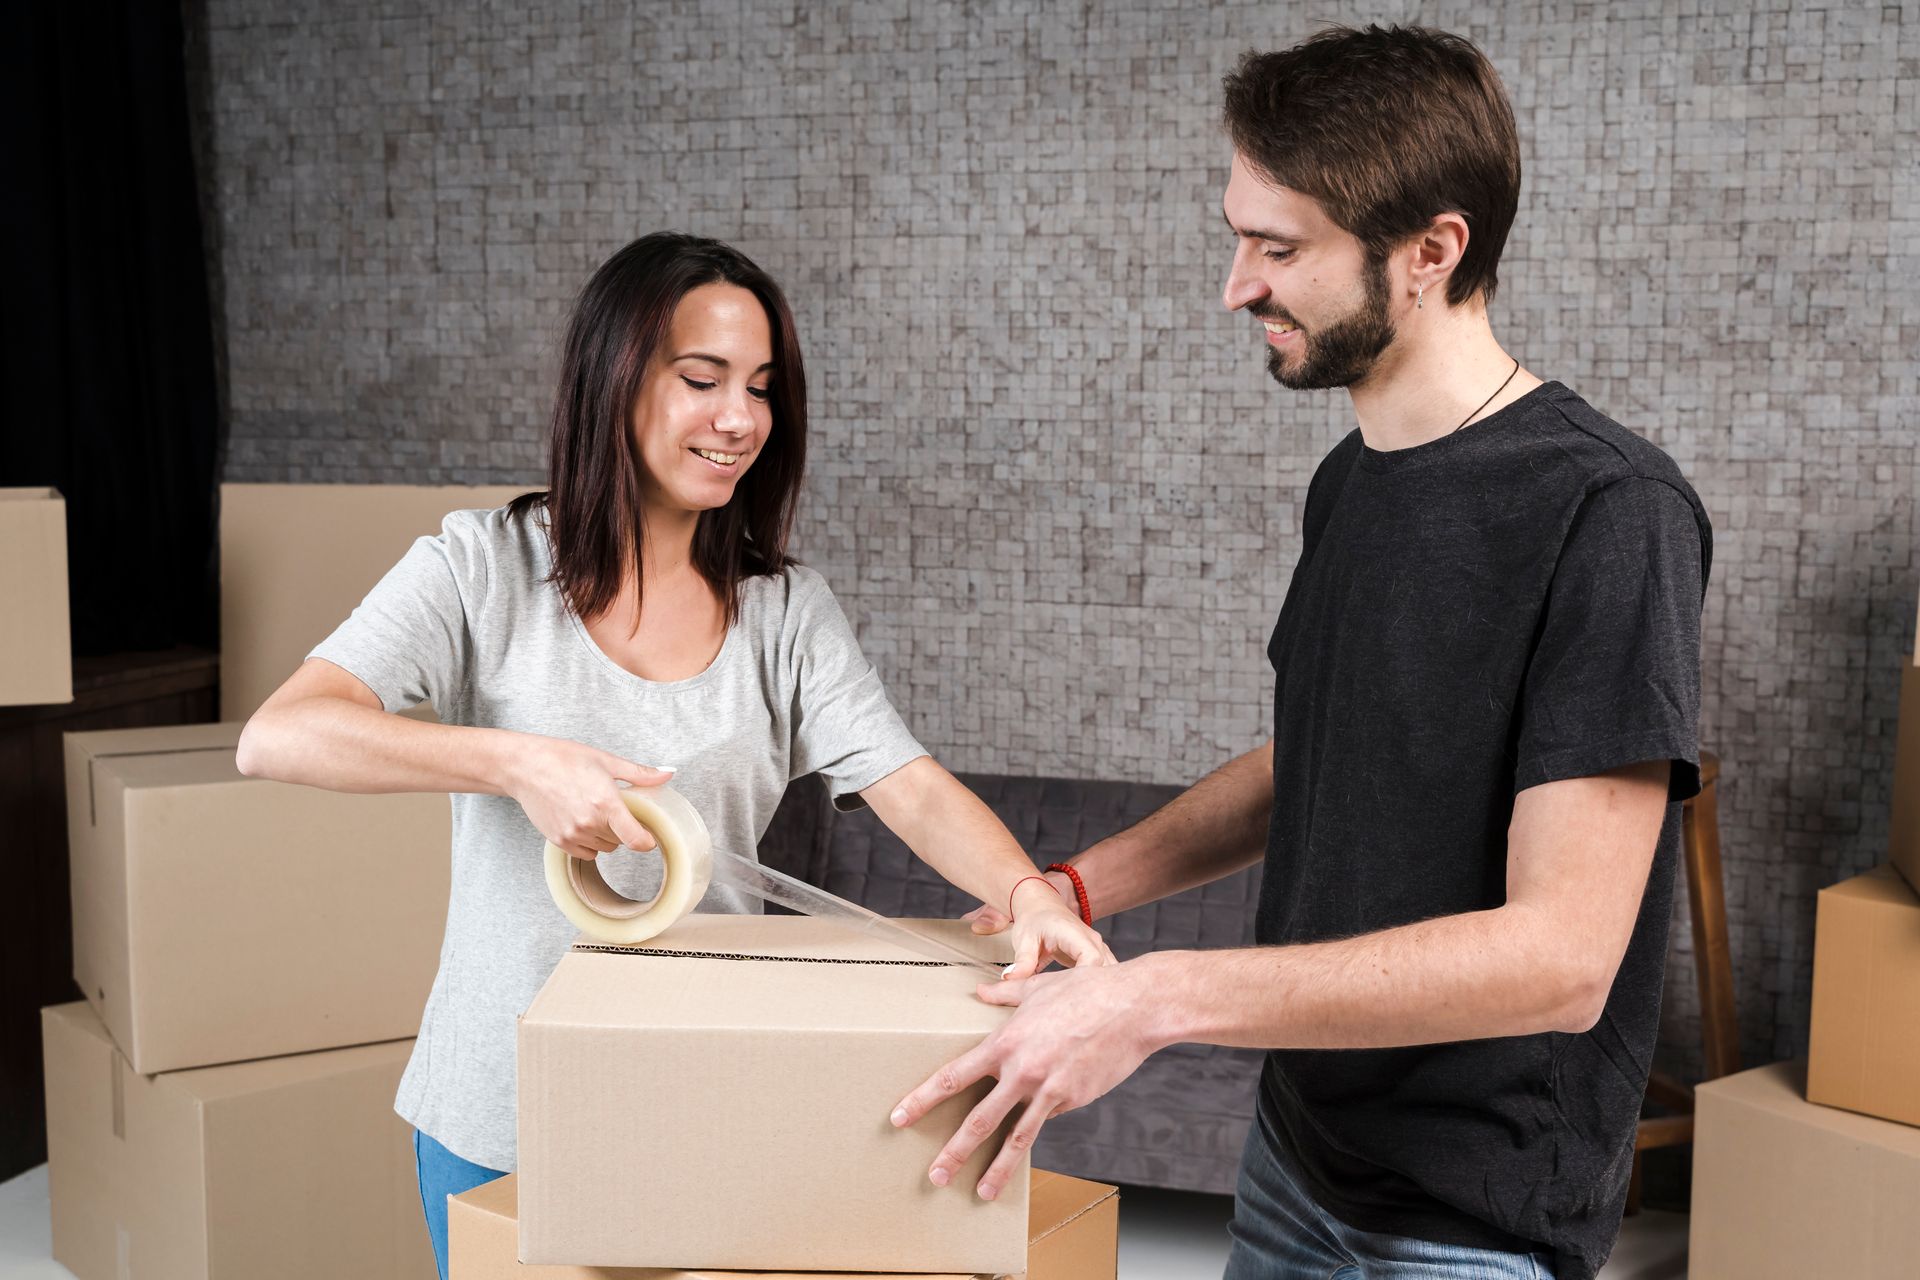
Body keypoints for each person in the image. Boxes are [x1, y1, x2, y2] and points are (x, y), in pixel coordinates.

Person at [890, 25, 1712, 1280]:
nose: (1236, 285)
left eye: (1280, 249)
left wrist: (1157, 998)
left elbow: (1561, 958)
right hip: (1294, 1156)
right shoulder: (1355, 479)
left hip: (1465, 1224)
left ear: (1432, 251)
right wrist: (1079, 885)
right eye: (1240, 236)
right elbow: (1324, 748)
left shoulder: (1609, 511)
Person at [235, 232, 1112, 1280]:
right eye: (702, 379)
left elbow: (906, 782)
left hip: (703, 1099)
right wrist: (518, 763)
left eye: (760, 386)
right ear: (614, 380)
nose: (739, 417)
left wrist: (1028, 896)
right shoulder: (480, 567)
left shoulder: (784, 610)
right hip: (497, 1103)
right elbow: (281, 732)